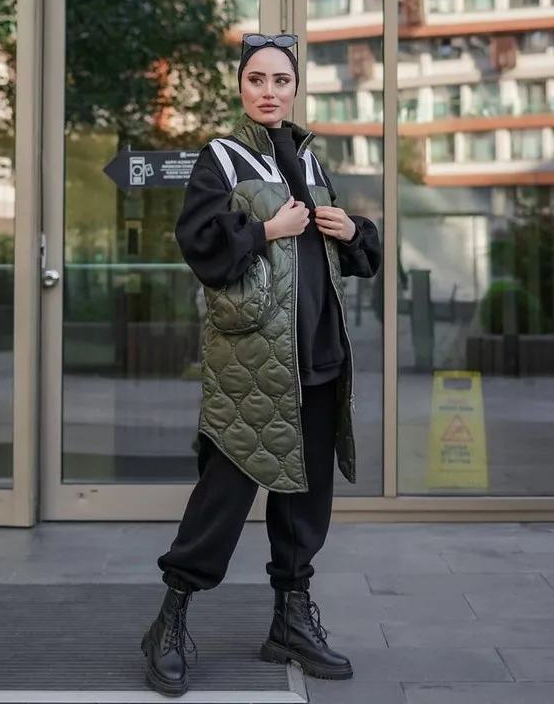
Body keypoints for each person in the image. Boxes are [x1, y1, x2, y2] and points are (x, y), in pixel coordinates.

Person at [140, 34, 382, 696]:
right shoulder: (222, 158)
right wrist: (267, 231)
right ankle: (168, 622)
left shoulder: (310, 161)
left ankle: (290, 621)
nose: (268, 91)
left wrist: (353, 231)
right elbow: (200, 243)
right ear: (241, 86)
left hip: (319, 356)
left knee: (305, 499)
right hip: (254, 362)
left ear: (296, 88)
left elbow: (343, 255)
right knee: (222, 500)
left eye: (280, 80)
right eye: (256, 79)